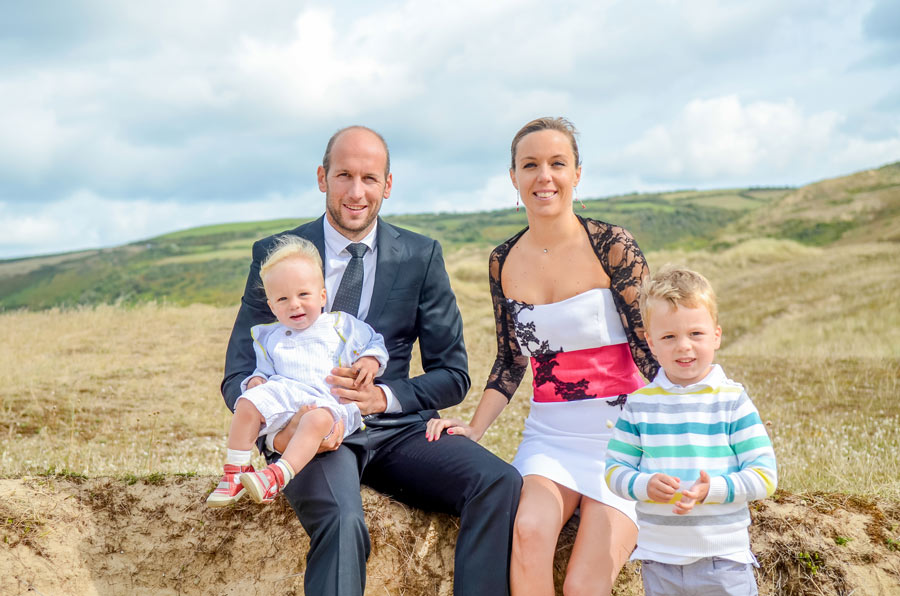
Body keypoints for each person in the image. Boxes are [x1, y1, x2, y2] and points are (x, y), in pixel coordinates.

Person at [222, 125, 522, 596]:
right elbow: (240, 371)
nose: (356, 192)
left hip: (397, 429)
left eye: (369, 178)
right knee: (343, 521)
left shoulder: (421, 256)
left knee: (498, 482)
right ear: (322, 177)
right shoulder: (276, 255)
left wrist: (385, 396)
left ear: (387, 184)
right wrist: (280, 430)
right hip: (311, 428)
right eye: (344, 175)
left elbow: (453, 373)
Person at [426, 117, 659, 596]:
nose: (544, 176)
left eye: (557, 163)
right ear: (514, 177)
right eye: (530, 165)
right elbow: (511, 360)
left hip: (624, 439)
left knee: (581, 585)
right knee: (529, 532)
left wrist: (691, 422)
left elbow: (649, 346)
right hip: (551, 438)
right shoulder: (503, 259)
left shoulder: (613, 246)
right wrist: (474, 428)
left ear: (577, 173)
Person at [605, 266, 777, 596]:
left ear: (716, 335)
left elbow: (765, 475)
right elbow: (615, 471)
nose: (684, 346)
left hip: (723, 561)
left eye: (695, 334)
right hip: (659, 561)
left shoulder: (731, 400)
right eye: (669, 337)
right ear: (651, 343)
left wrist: (711, 489)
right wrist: (644, 484)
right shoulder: (640, 405)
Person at [207, 235, 389, 507]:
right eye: (282, 298)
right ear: (271, 306)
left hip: (328, 402)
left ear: (322, 296)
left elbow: (375, 341)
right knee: (245, 401)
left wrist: (371, 361)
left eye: (304, 295)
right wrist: (257, 380)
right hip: (286, 396)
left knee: (316, 421)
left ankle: (276, 475)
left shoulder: (340, 325)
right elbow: (264, 370)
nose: (294, 304)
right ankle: (236, 471)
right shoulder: (269, 336)